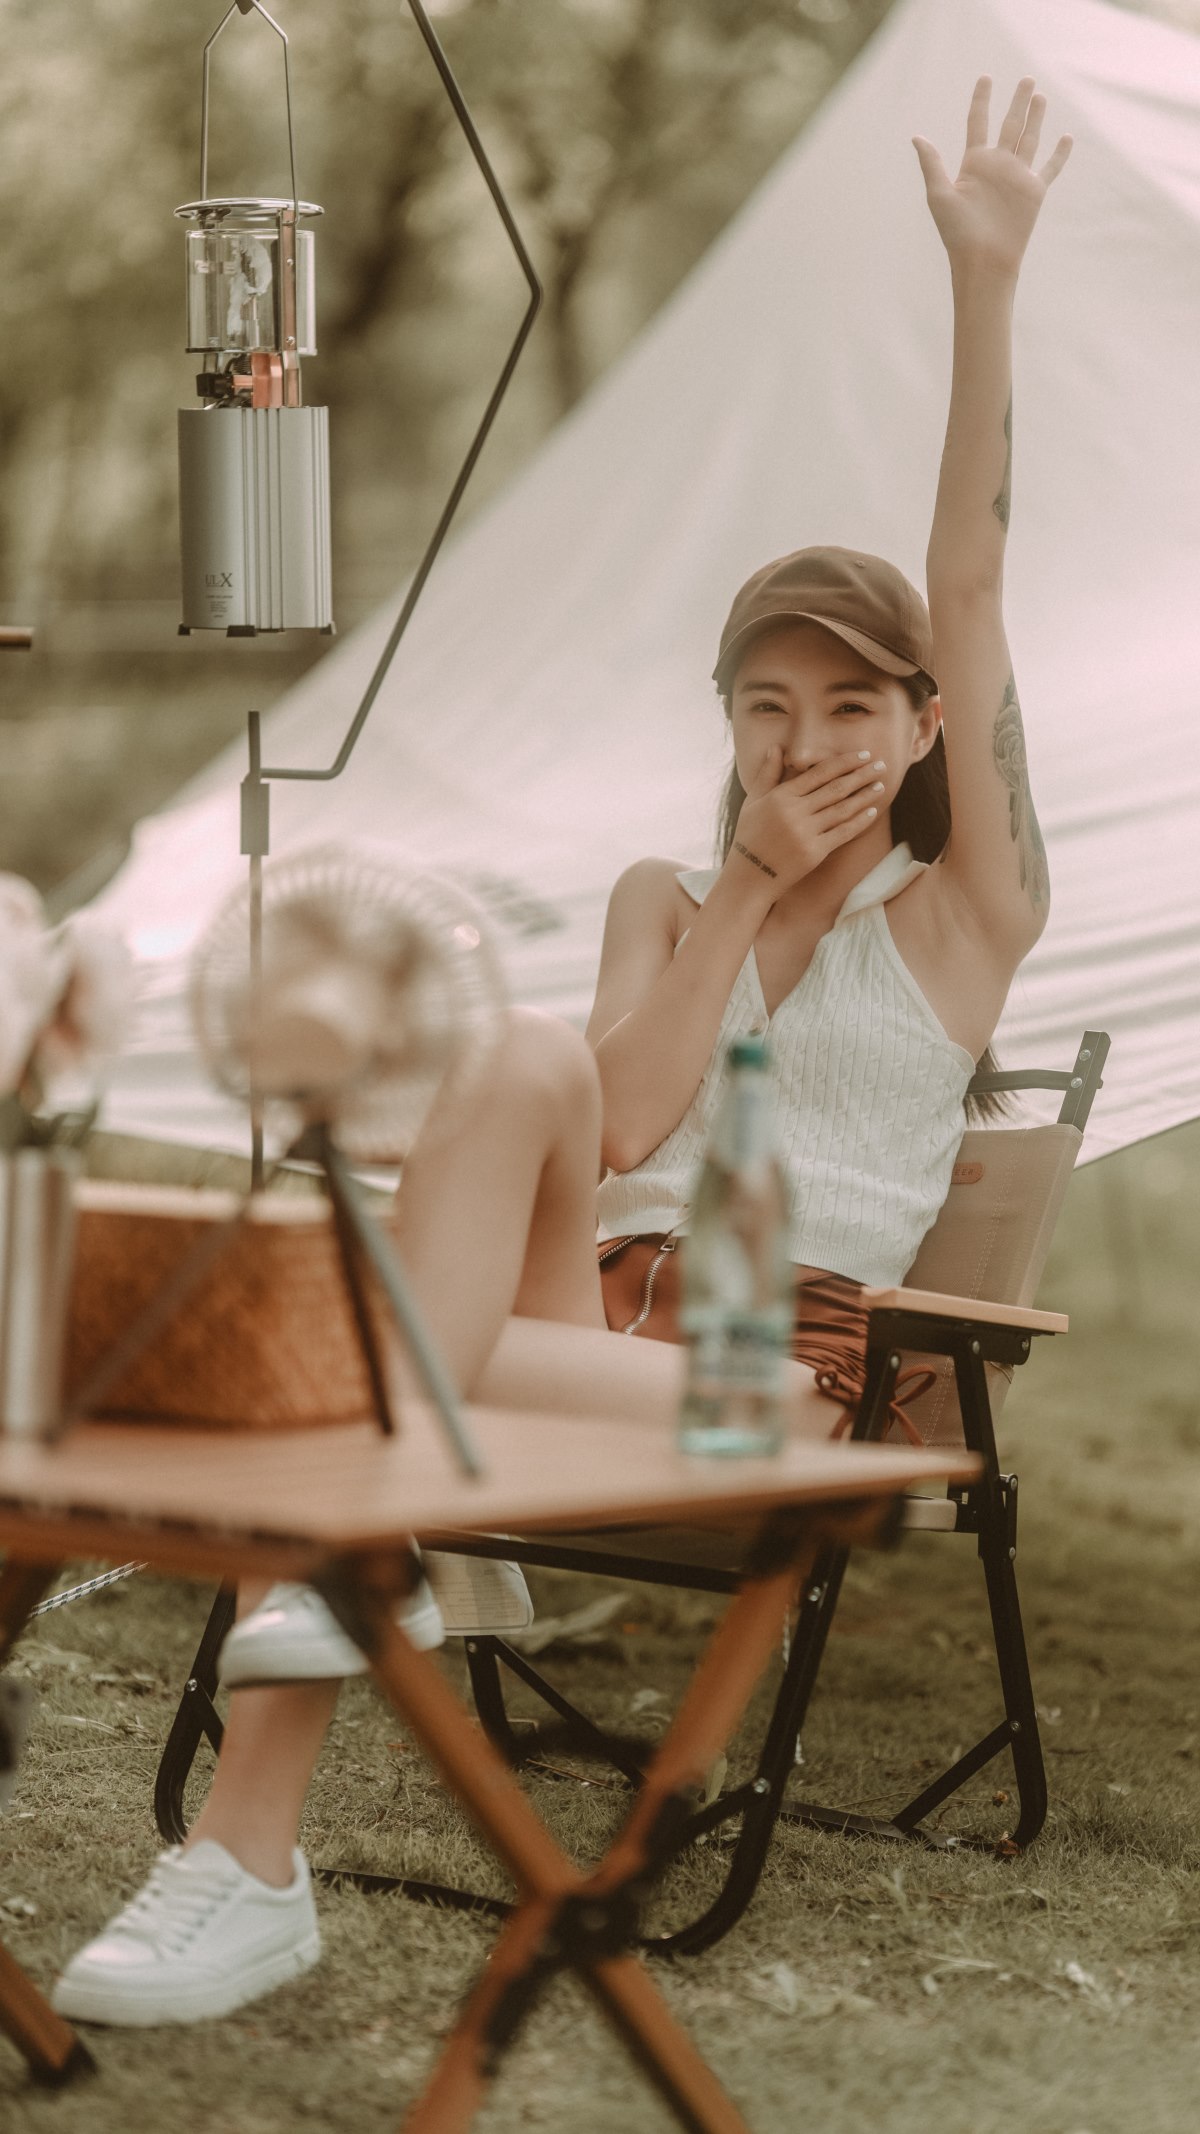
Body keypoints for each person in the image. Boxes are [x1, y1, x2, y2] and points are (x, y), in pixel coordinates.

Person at [52, 76, 1071, 2027]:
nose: (804, 743)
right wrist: (740, 896)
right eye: (764, 706)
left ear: (927, 722)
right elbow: (617, 1123)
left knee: (347, 1373)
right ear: (726, 726)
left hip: (774, 1378)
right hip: (578, 1319)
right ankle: (269, 1805)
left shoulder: (963, 922)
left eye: (851, 704)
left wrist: (988, 286)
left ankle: (253, 1829)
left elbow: (972, 585)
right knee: (528, 1054)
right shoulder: (662, 899)